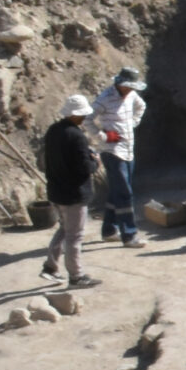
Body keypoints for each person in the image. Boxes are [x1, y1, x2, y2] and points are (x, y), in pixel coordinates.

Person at [40, 95, 102, 289]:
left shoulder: (53, 131)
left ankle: (50, 267)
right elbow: (84, 168)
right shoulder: (76, 136)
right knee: (74, 236)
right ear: (75, 115)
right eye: (82, 115)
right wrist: (95, 162)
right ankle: (76, 276)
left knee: (64, 229)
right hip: (74, 194)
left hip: (56, 191)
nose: (84, 118)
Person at [90, 66, 148, 248]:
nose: (130, 90)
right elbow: (87, 119)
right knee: (124, 193)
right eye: (128, 86)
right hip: (112, 151)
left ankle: (109, 230)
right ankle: (129, 235)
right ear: (119, 83)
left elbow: (141, 106)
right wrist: (103, 136)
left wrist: (133, 122)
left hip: (128, 149)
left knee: (118, 190)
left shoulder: (131, 96)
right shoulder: (105, 98)